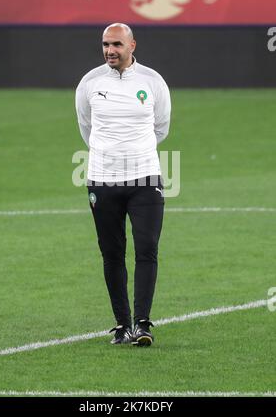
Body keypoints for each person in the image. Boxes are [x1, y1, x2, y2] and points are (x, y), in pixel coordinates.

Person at [75, 23, 171, 346]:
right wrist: (110, 156)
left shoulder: (153, 82)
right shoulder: (89, 83)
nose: (109, 50)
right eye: (105, 44)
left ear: (132, 45)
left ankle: (142, 324)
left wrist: (134, 154)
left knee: (146, 248)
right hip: (102, 180)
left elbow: (161, 128)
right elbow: (86, 128)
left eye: (116, 44)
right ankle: (121, 324)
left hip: (146, 178)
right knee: (112, 252)